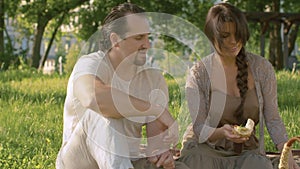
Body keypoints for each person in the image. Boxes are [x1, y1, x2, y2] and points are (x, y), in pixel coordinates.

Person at [56, 2, 189, 169]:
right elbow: (92, 98)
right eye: (139, 38)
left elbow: (155, 144)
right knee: (104, 113)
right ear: (115, 39)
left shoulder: (153, 80)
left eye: (148, 37)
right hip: (80, 161)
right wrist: (155, 109)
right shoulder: (90, 64)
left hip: (128, 160)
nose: (147, 45)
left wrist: (162, 154)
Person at [178, 2, 300, 169]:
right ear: (211, 37)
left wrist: (286, 152)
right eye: (225, 36)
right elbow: (199, 128)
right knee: (196, 162)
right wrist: (222, 132)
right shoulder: (199, 74)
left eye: (238, 34)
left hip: (246, 151)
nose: (233, 41)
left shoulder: (262, 69)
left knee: (259, 166)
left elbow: (273, 118)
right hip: (205, 149)